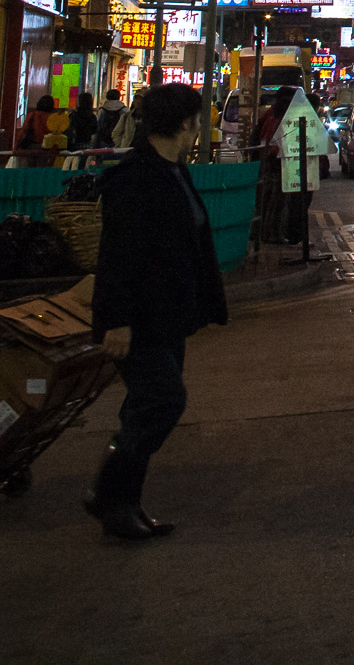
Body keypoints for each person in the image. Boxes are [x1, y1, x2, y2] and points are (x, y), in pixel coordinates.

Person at [87, 83, 230, 540]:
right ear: (185, 124)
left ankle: (121, 507)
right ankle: (109, 493)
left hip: (168, 314)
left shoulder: (172, 171)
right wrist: (117, 321)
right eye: (198, 121)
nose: (200, 130)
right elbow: (118, 257)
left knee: (142, 408)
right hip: (141, 318)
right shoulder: (136, 179)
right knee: (163, 401)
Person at [274, 85, 326, 246]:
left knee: (294, 203)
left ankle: (294, 236)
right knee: (296, 204)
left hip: (292, 168)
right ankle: (294, 236)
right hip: (290, 168)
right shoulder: (285, 118)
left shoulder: (277, 116)